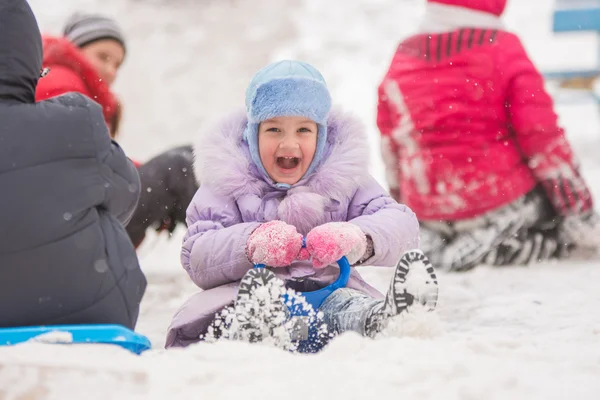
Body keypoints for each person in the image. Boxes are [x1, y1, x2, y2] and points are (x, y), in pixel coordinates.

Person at [165, 60, 439, 348]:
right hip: (246, 293)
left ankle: (388, 320)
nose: (289, 144)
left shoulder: (343, 179)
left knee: (349, 309)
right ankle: (257, 326)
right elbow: (197, 254)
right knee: (232, 314)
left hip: (329, 294)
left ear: (321, 136)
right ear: (252, 133)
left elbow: (401, 225)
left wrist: (358, 238)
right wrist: (250, 243)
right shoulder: (226, 184)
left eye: (303, 131)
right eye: (273, 130)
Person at [377, 0, 600, 271]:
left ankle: (442, 244)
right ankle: (529, 243)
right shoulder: (502, 48)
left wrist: (403, 206)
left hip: (427, 208)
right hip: (496, 199)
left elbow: (391, 142)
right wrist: (580, 215)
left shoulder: (404, 55)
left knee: (438, 235)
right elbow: (542, 139)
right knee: (549, 215)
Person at [0, 0, 145, 329]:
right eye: (103, 57)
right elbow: (127, 193)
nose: (111, 70)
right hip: (87, 309)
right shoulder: (73, 112)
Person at [35, 12, 198, 248]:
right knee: (179, 167)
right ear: (72, 50)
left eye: (117, 64)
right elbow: (74, 162)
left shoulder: (65, 83)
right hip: (72, 221)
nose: (111, 70)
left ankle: (229, 249)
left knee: (184, 159)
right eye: (103, 57)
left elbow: (92, 157)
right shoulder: (61, 82)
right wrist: (150, 182)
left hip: (73, 215)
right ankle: (233, 256)